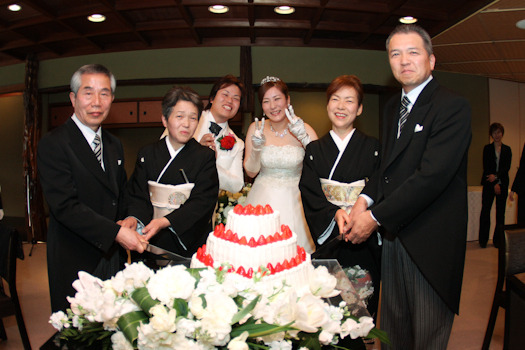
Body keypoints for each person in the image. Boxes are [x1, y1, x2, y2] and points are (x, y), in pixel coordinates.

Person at [346, 24, 472, 349]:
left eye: (413, 52)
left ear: (431, 60)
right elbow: (385, 169)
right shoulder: (392, 109)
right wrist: (363, 201)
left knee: (426, 336)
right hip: (394, 236)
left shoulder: (452, 107)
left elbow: (430, 178)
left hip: (430, 244)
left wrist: (373, 218)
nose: (404, 61)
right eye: (396, 54)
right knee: (393, 333)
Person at [37, 64, 145, 312]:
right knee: (80, 331)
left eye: (104, 93)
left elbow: (121, 192)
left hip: (112, 256)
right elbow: (65, 206)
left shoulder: (113, 144)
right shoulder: (54, 143)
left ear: (112, 99)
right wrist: (115, 233)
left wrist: (129, 217)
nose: (97, 101)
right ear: (73, 98)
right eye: (88, 93)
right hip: (75, 254)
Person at [299, 75, 381, 317]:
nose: (341, 106)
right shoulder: (314, 150)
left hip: (363, 233)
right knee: (329, 312)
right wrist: (334, 213)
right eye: (335, 99)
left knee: (363, 308)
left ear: (360, 108)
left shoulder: (374, 147)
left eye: (349, 101)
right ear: (327, 105)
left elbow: (381, 186)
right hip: (331, 234)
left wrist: (364, 214)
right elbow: (310, 193)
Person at [122, 86, 219, 257]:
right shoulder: (147, 153)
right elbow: (137, 195)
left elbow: (203, 201)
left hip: (186, 238)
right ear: (165, 120)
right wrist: (133, 218)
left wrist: (165, 221)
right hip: (150, 235)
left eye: (193, 118)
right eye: (179, 116)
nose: (186, 124)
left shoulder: (205, 156)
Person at [244, 76, 318, 253]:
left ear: (288, 100)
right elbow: (251, 172)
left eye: (277, 99)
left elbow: (320, 166)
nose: (273, 106)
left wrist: (305, 140)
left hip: (297, 200)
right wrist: (256, 148)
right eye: (266, 101)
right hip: (262, 199)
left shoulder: (304, 128)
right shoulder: (256, 129)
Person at [162, 75, 245, 193]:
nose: (230, 101)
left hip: (208, 206)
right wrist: (195, 151)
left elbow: (236, 185)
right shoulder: (187, 120)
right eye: (225, 94)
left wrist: (211, 162)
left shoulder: (238, 143)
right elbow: (162, 153)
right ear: (212, 98)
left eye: (236, 98)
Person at [479, 123, 511, 248]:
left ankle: (498, 241)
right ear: (491, 135)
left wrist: (497, 178)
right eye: (494, 133)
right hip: (488, 184)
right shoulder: (487, 148)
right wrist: (493, 183)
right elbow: (487, 167)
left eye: (499, 132)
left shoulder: (507, 149)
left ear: (502, 133)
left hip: (502, 184)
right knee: (485, 211)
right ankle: (483, 240)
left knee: (500, 213)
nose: (497, 135)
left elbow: (506, 168)